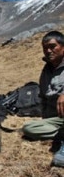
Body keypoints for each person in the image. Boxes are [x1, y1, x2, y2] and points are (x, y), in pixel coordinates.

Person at [21, 30, 64, 167]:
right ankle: (61, 134)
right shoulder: (46, 70)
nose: (48, 51)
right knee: (29, 128)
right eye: (45, 48)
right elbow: (43, 97)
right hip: (56, 120)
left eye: (52, 46)